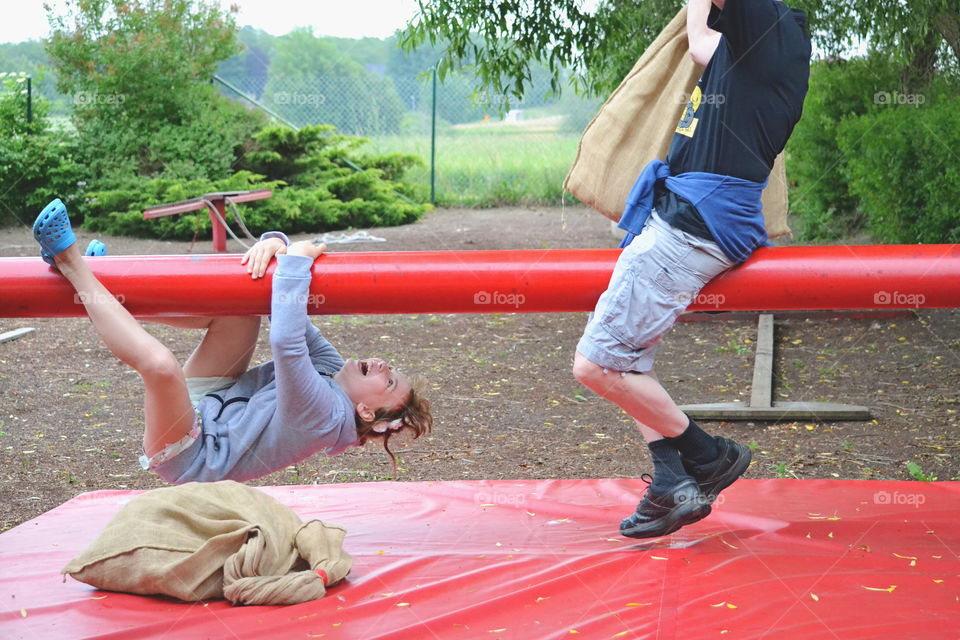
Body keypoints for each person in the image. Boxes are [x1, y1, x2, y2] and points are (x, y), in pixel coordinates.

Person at [572, 0, 811, 538]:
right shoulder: (749, 52)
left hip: (691, 225)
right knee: (626, 365)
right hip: (696, 218)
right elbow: (700, 39)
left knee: (596, 367)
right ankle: (671, 482)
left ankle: (709, 456)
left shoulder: (771, 27)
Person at [32, 198, 432, 484]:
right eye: (393, 370)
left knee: (160, 367)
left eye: (390, 382)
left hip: (192, 454)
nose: (384, 365)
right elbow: (284, 312)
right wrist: (277, 246)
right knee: (239, 307)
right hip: (214, 405)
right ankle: (105, 289)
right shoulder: (333, 370)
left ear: (364, 411)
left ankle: (70, 262)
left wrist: (296, 261)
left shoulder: (325, 416)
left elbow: (288, 343)